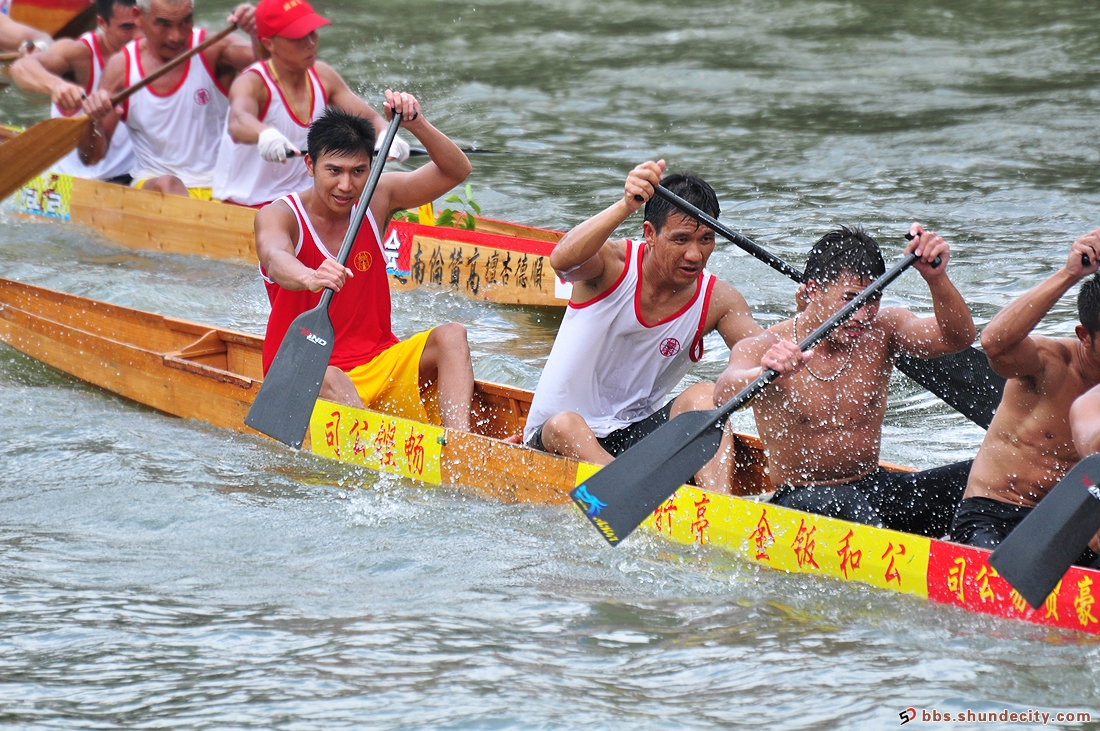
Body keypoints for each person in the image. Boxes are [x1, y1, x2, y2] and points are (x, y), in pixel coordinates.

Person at [716, 224, 976, 537]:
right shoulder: (765, 345)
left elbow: (958, 337)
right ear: (813, 290)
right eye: (851, 299)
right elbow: (723, 395)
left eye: (873, 298)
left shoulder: (885, 329)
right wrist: (765, 374)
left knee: (984, 475)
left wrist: (936, 278)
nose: (863, 314)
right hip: (801, 497)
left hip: (874, 487)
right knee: (845, 504)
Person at [522, 161, 762, 495]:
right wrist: (625, 206)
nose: (695, 254)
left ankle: (717, 505)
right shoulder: (611, 265)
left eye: (706, 239)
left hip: (637, 440)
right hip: (557, 437)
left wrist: (798, 342)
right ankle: (629, 494)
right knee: (567, 425)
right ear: (649, 233)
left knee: (706, 397)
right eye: (681, 239)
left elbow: (762, 363)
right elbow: (561, 260)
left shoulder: (719, 300)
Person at [255, 101, 474, 429]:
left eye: (358, 171)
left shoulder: (378, 198)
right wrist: (309, 276)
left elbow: (457, 172)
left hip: (379, 361)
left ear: (371, 169)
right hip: (307, 371)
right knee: (332, 377)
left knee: (452, 336)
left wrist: (417, 124)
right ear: (309, 164)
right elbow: (274, 259)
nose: (346, 186)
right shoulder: (280, 215)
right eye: (334, 171)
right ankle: (383, 451)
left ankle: (459, 447)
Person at [950, 231, 1100, 558]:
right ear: (1085, 336)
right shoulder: (1049, 363)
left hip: (1063, 529)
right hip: (992, 515)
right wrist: (1070, 273)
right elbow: (994, 343)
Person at [212, 0, 408, 208]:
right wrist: (264, 134)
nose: (311, 43)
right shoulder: (252, 82)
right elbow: (238, 121)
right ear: (269, 44)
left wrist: (387, 134)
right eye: (298, 38)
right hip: (250, 205)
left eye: (312, 32)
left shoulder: (323, 76)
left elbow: (373, 119)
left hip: (306, 203)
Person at [79, 0, 259, 199]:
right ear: (138, 16)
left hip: (221, 184)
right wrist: (93, 119)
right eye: (163, 24)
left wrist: (258, 31)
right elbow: (92, 157)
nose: (176, 36)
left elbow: (274, 72)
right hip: (155, 184)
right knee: (168, 183)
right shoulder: (121, 67)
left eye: (185, 21)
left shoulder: (214, 49)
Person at [10, 0, 139, 182]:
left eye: (140, 24)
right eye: (127, 28)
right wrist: (57, 86)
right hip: (77, 179)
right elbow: (21, 67)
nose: (137, 35)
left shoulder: (155, 46)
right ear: (102, 23)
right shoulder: (78, 54)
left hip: (131, 175)